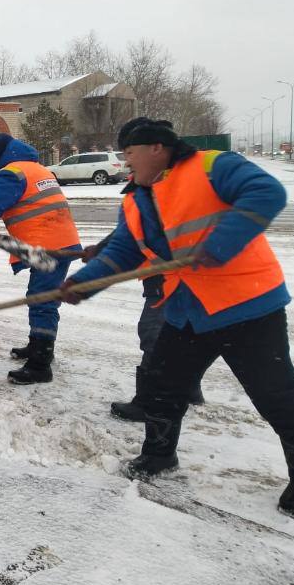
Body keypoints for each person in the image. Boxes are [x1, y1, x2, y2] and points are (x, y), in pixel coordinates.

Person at [60, 118, 294, 517]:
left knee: (276, 396)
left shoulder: (213, 166)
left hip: (247, 305)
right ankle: (158, 457)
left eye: (129, 153)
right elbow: (124, 251)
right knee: (163, 385)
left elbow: (267, 193)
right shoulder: (136, 198)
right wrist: (83, 283)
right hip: (188, 309)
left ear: (157, 148)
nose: (125, 161)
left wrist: (217, 245)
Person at [81, 118, 203, 421]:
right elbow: (134, 231)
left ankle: (148, 402)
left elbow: (147, 234)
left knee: (155, 336)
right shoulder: (155, 180)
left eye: (128, 152)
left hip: (170, 277)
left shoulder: (163, 182)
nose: (125, 160)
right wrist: (101, 250)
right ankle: (187, 386)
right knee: (180, 336)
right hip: (169, 276)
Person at [0, 133, 81, 384]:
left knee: (42, 301)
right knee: (40, 297)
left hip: (48, 246)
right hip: (62, 241)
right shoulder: (38, 169)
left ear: (1, 154)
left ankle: (40, 364)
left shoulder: (12, 172)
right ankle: (37, 347)